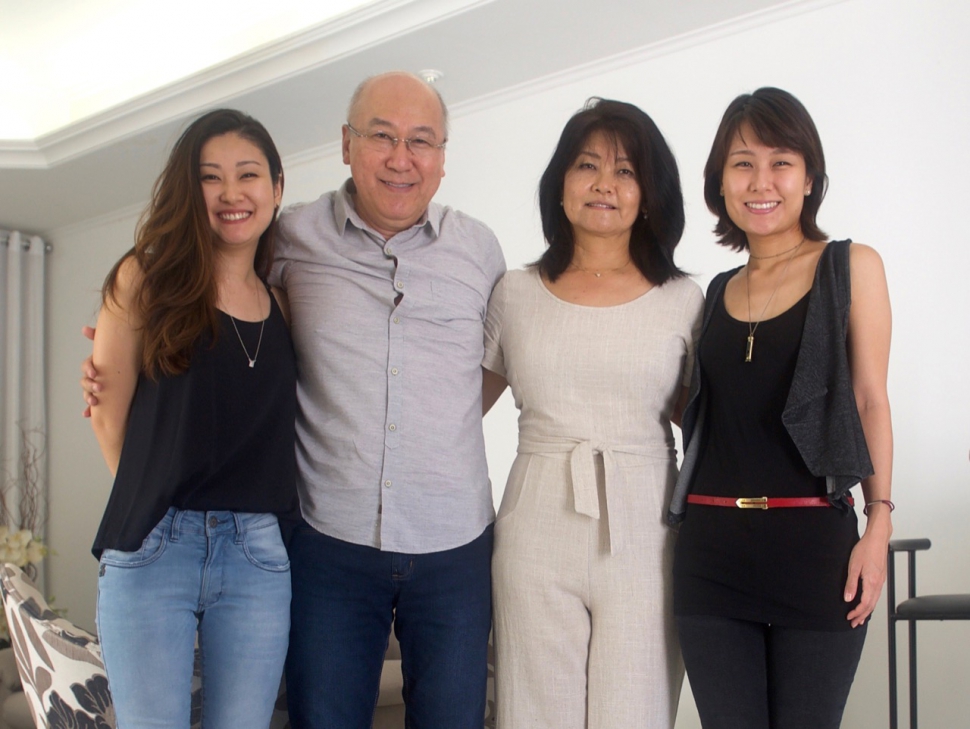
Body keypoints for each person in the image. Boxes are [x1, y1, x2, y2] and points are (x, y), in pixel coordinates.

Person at [83, 72, 503, 727]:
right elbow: (177, 345)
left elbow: (499, 361)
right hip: (324, 541)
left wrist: (434, 428)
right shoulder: (291, 240)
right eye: (382, 136)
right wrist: (128, 347)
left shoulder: (478, 249)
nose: (401, 157)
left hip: (449, 540)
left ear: (442, 157)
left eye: (421, 141)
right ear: (346, 144)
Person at [669, 87, 893, 729]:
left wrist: (877, 525)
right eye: (742, 163)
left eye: (781, 162)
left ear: (809, 176)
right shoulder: (714, 292)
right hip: (710, 555)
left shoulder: (849, 266)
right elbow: (703, 414)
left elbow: (870, 399)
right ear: (720, 181)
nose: (760, 181)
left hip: (814, 550)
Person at [481, 98, 703, 729]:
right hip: (535, 522)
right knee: (532, 713)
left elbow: (709, 428)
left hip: (648, 528)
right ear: (560, 184)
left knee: (636, 712)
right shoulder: (514, 293)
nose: (605, 183)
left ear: (649, 194)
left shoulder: (682, 299)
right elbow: (456, 411)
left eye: (625, 171)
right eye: (587, 165)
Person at [88, 108, 297, 727]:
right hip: (155, 543)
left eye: (248, 175)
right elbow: (107, 416)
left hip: (257, 554)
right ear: (189, 189)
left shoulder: (285, 302)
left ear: (276, 188)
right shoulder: (143, 279)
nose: (231, 193)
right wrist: (153, 504)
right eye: (210, 177)